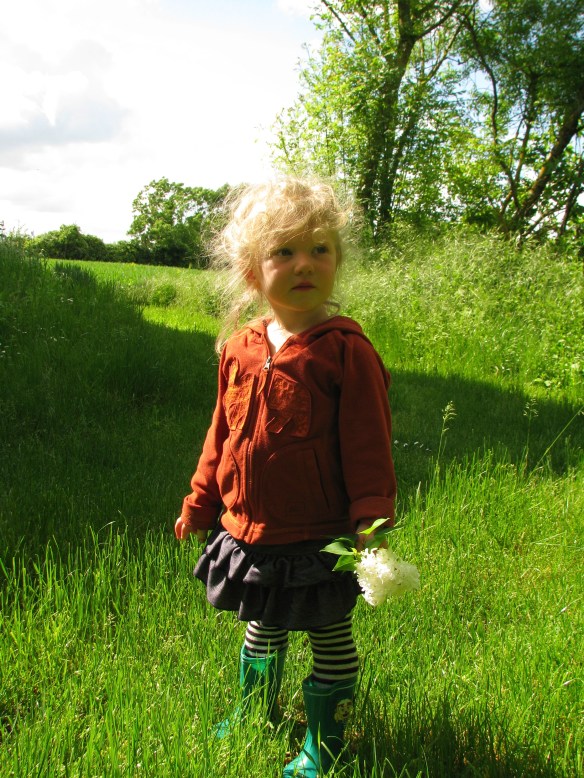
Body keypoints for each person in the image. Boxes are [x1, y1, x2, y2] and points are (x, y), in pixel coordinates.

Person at [175, 176, 396, 777]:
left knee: (328, 632)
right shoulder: (240, 349)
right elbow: (221, 434)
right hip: (250, 528)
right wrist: (200, 502)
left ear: (338, 262)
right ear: (252, 272)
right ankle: (255, 712)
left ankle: (324, 742)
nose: (305, 263)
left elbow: (370, 448)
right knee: (261, 624)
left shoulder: (345, 352)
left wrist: (369, 521)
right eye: (284, 251)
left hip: (318, 532)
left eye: (320, 249)